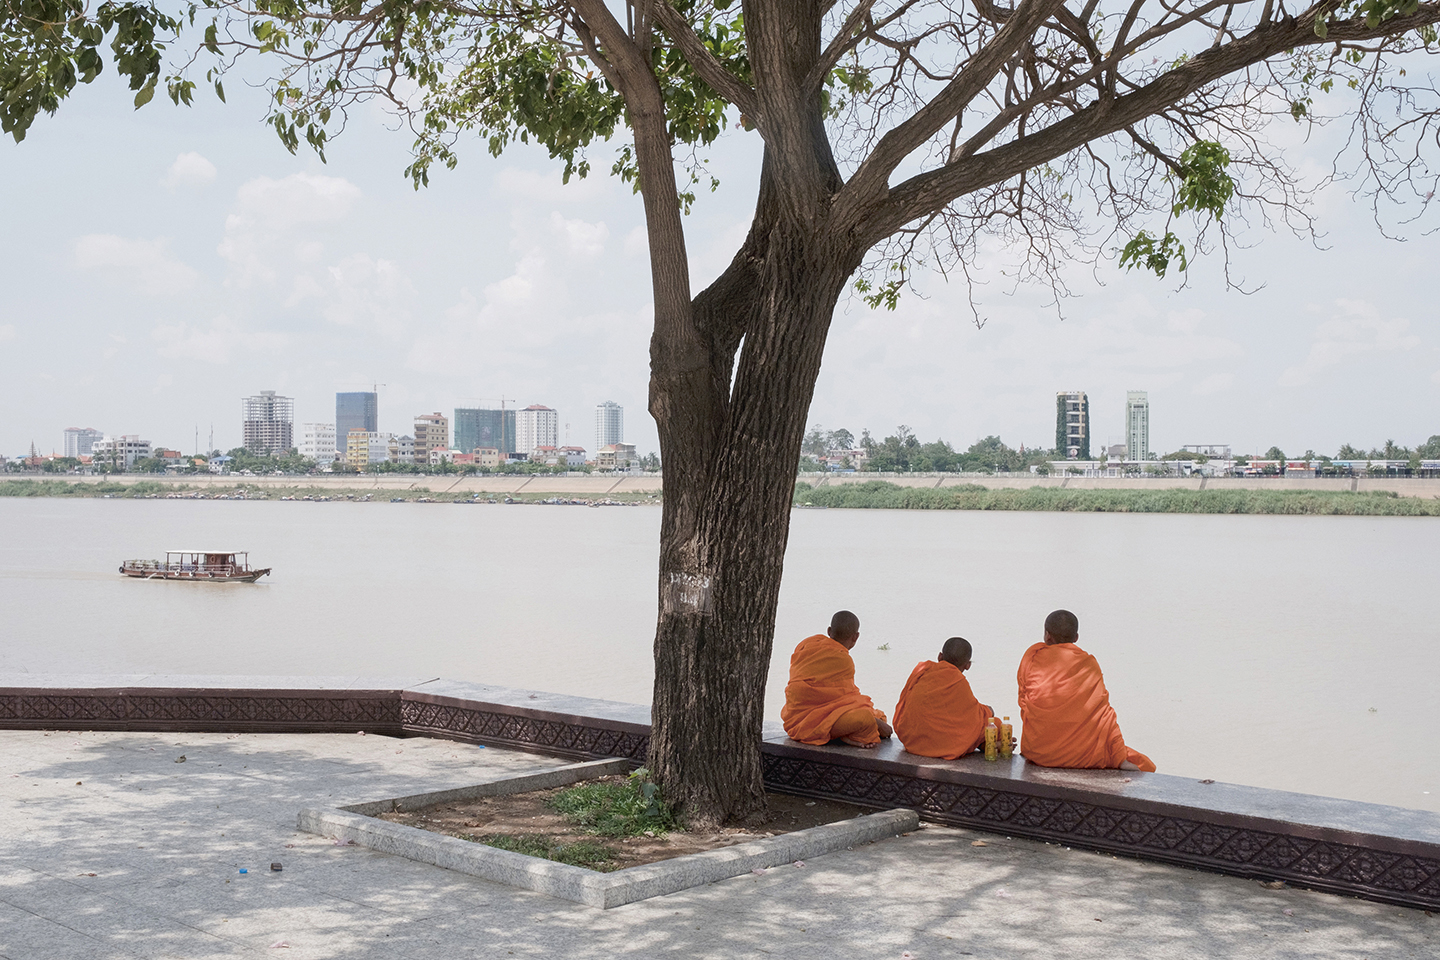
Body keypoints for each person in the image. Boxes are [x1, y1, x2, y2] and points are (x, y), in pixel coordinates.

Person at [1016, 609, 1156, 772]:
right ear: (1076, 638)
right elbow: (1103, 712)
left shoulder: (1033, 656)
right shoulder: (1088, 663)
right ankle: (1120, 759)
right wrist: (1118, 755)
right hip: (1086, 754)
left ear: (1047, 635)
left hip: (1040, 753)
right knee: (1144, 764)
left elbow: (1024, 702)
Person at [781, 610, 893, 748]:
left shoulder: (807, 645)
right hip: (811, 722)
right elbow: (845, 698)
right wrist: (874, 720)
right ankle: (844, 735)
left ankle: (843, 734)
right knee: (867, 719)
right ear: (856, 637)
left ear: (829, 631)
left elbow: (842, 698)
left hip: (795, 719)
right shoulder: (844, 660)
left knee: (877, 717)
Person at [893, 636, 996, 760]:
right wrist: (989, 711)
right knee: (992, 723)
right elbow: (973, 716)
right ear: (968, 665)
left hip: (912, 742)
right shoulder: (959, 681)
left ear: (940, 656)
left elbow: (904, 703)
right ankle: (984, 744)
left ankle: (981, 743)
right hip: (943, 745)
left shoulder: (922, 670)